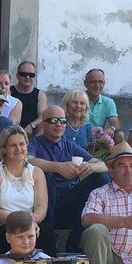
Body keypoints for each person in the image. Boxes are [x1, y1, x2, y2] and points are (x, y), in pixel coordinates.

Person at [29, 104, 110, 253]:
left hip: (69, 202)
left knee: (101, 177)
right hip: (44, 205)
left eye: (63, 121)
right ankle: (50, 239)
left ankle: (76, 239)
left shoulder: (69, 146)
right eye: (54, 120)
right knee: (45, 175)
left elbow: (104, 165)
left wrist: (91, 167)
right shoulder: (35, 143)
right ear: (43, 124)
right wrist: (58, 167)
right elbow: (28, 160)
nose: (59, 124)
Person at [0, 126, 54, 255]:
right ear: (4, 149)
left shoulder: (36, 172)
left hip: (31, 223)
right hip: (6, 224)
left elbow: (41, 207)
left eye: (22, 144)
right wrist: (20, 221)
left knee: (46, 231)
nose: (18, 149)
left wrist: (32, 222)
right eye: (13, 145)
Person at [83, 68, 122, 140]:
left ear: (104, 83)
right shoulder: (79, 99)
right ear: (85, 83)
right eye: (93, 82)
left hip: (98, 139)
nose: (97, 85)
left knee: (119, 135)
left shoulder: (108, 102)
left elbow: (115, 123)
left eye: (100, 82)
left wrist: (111, 128)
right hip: (79, 136)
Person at [11, 60, 48, 135]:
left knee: (45, 126)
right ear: (17, 76)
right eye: (24, 74)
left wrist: (31, 125)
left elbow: (43, 116)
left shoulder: (40, 95)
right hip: (12, 130)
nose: (28, 77)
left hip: (32, 132)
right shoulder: (9, 91)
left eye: (31, 75)